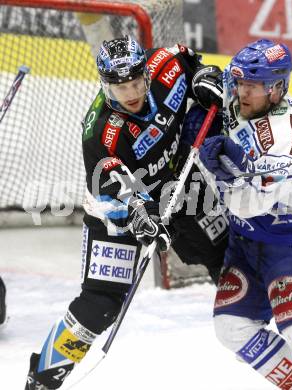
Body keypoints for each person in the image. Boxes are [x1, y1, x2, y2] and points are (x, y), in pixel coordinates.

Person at [24, 35, 226, 390]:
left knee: (225, 256)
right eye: (119, 88)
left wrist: (205, 78)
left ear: (146, 72)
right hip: (116, 215)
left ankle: (258, 332)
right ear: (105, 85)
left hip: (180, 186)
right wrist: (143, 216)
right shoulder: (102, 131)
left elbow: (195, 65)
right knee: (100, 304)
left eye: (135, 83)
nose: (130, 94)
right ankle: (40, 381)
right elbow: (114, 187)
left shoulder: (166, 64)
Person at [199, 39, 292, 389]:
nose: (241, 93)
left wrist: (225, 174)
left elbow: (247, 205)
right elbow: (212, 80)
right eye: (240, 84)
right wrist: (202, 78)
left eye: (252, 87)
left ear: (276, 89)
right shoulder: (244, 91)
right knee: (231, 325)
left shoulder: (285, 141)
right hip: (247, 241)